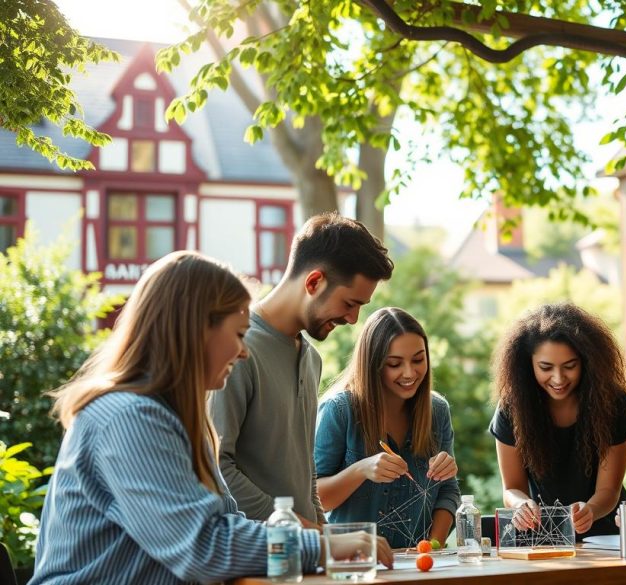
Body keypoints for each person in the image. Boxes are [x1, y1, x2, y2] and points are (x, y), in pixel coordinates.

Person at [30, 251, 393, 585]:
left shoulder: (175, 419)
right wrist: (325, 548)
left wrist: (322, 537)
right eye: (237, 335)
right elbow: (202, 546)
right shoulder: (129, 417)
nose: (243, 352)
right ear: (196, 330)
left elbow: (226, 525)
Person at [210, 212, 393, 527]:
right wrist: (301, 528)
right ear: (314, 281)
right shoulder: (236, 350)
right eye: (350, 304)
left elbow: (305, 471)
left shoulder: (311, 359)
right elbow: (217, 468)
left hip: (305, 559)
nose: (353, 320)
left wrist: (322, 535)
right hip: (255, 562)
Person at [314, 307, 460, 548]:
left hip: (420, 566)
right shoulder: (339, 410)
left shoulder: (437, 411)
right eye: (394, 364)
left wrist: (432, 546)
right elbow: (315, 500)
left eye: (418, 359)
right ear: (373, 365)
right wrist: (361, 469)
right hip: (356, 564)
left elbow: (448, 491)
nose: (409, 373)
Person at [489, 303, 626, 540]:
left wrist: (591, 510)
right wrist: (521, 505)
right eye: (545, 367)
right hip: (545, 539)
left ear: (586, 361)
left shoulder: (613, 402)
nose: (558, 378)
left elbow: (609, 491)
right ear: (528, 364)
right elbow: (512, 488)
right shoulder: (512, 407)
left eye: (570, 366)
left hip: (607, 538)